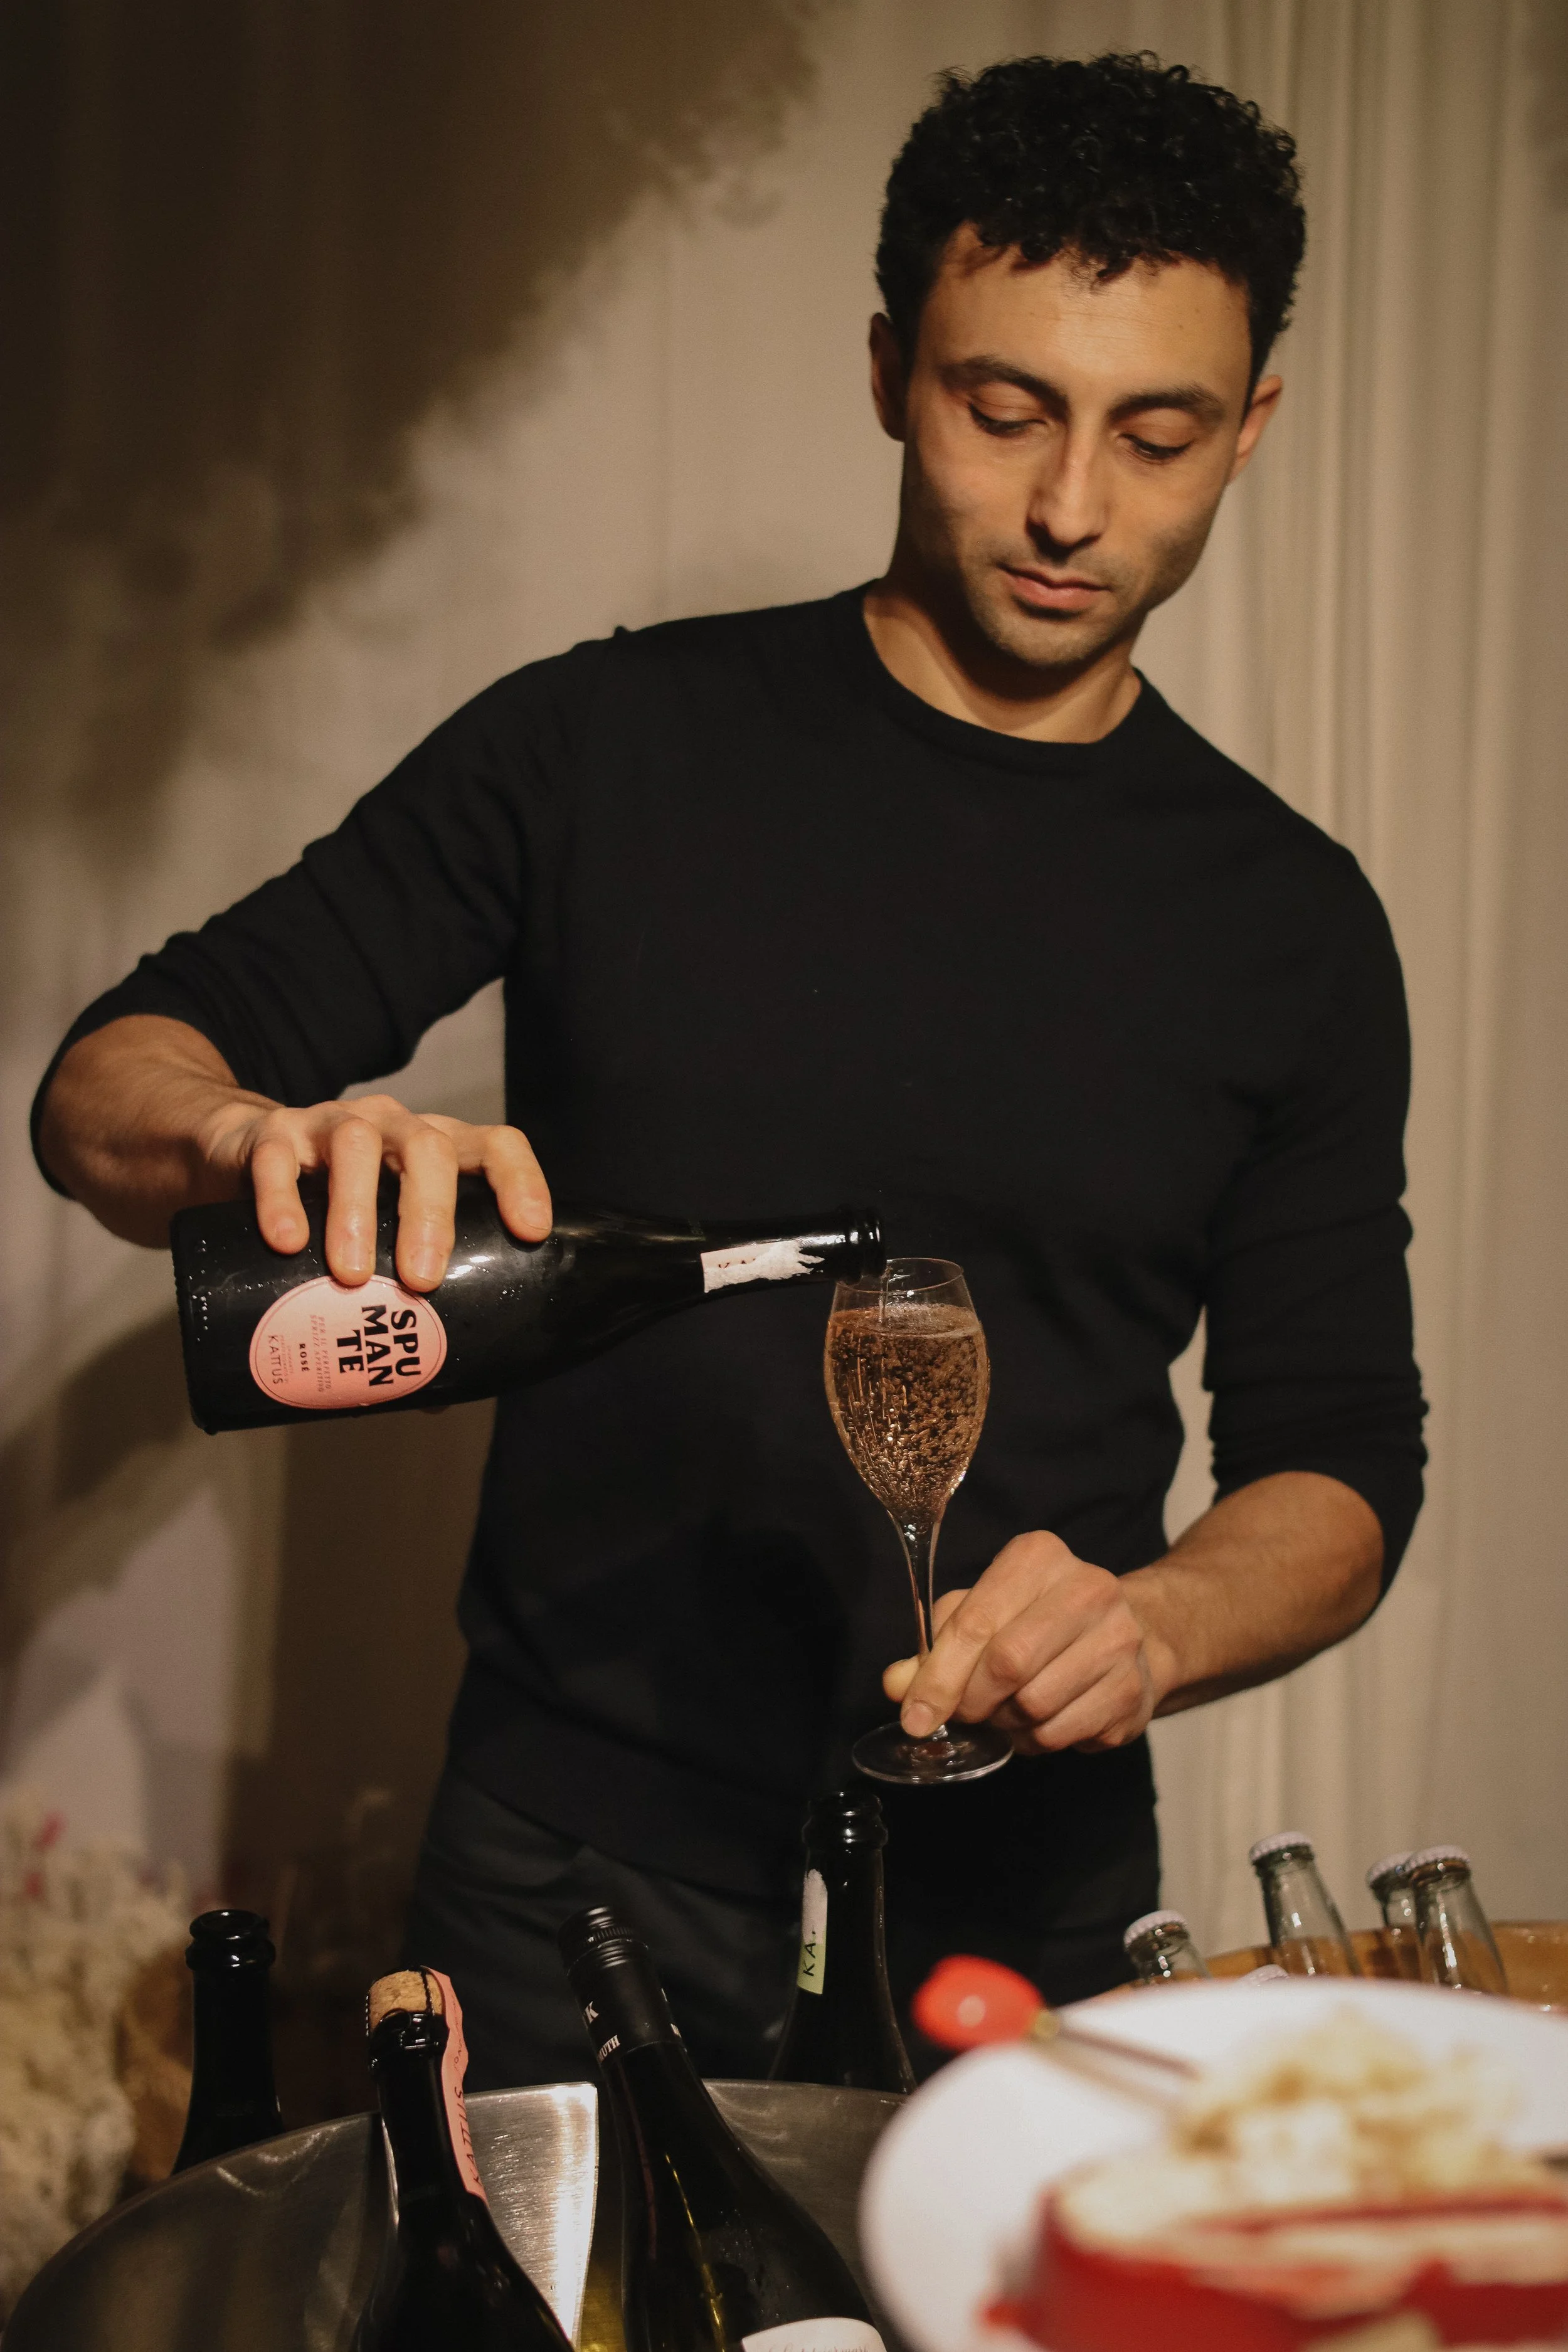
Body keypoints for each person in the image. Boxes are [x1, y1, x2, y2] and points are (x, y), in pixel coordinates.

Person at [33, 53, 1425, 2084]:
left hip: (1016, 1898)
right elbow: (104, 1085)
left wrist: (1152, 1619)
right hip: (559, 1864)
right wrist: (250, 1128)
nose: (1066, 506)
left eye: (1155, 434)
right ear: (887, 367)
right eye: (1001, 405)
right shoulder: (601, 748)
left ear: (1251, 427)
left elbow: (1336, 1468)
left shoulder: (1292, 922)